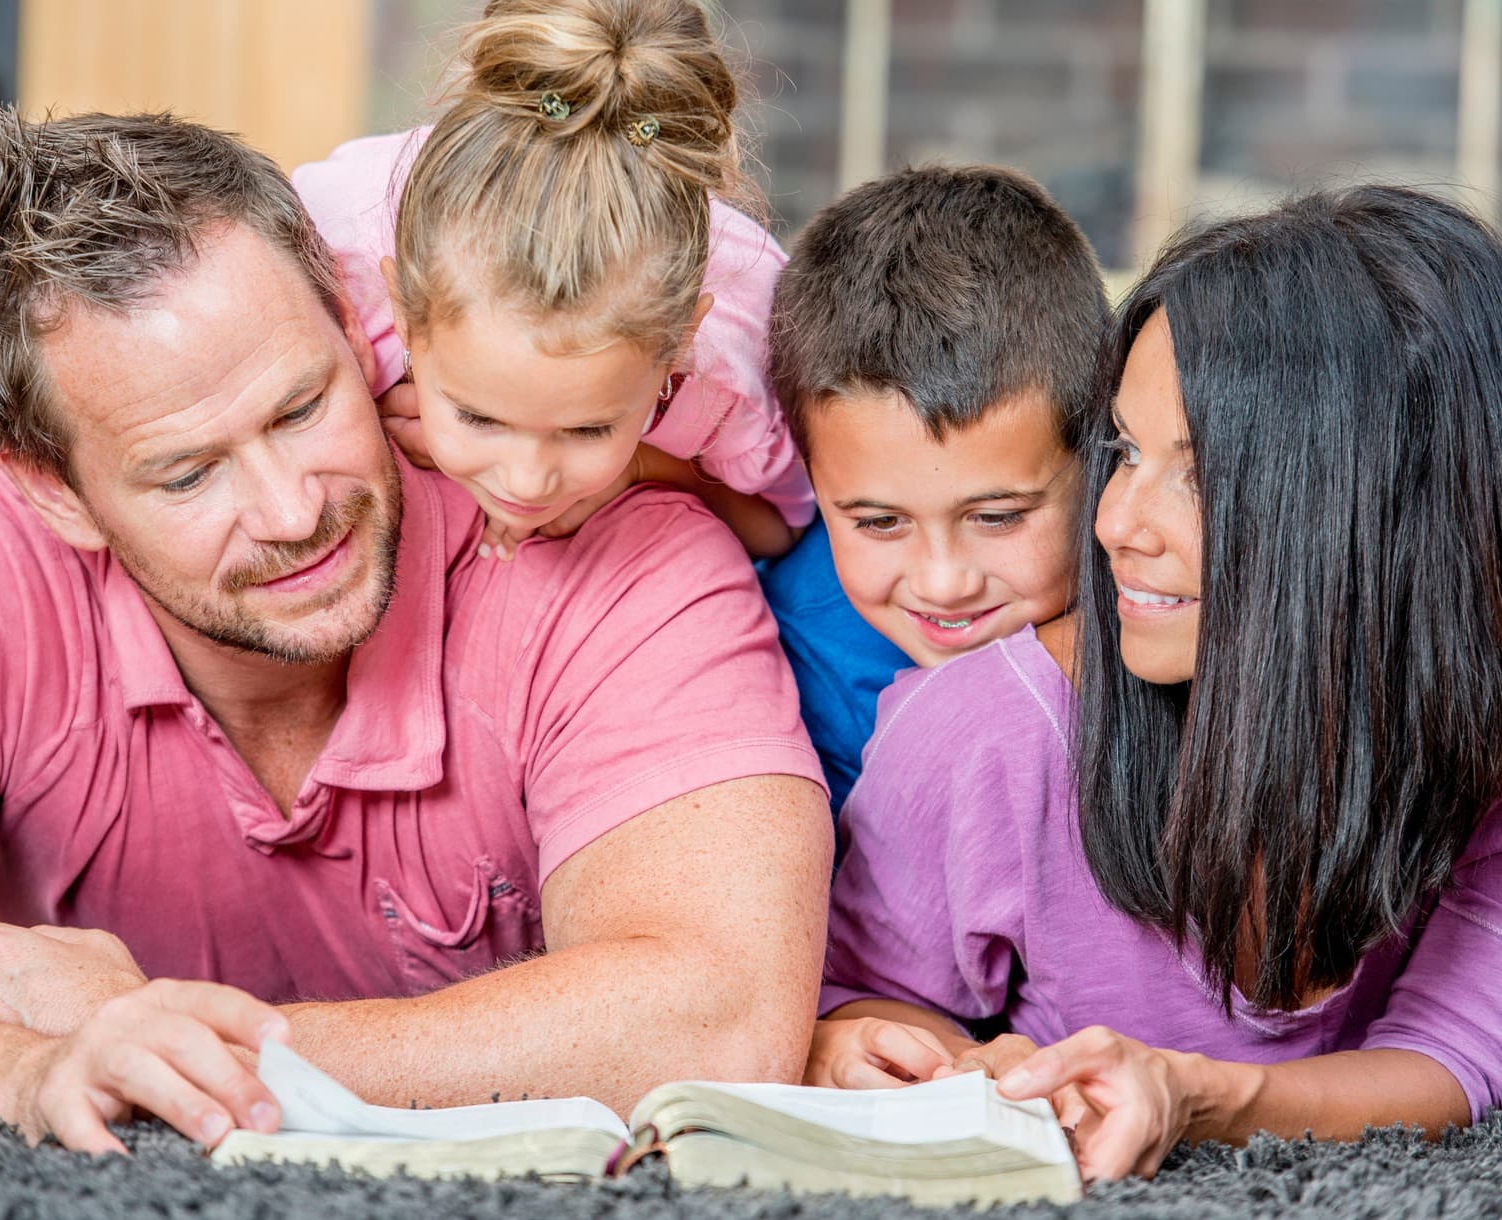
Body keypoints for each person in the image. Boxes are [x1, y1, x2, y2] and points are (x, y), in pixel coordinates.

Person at [0, 104, 832, 1156]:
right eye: (188, 472)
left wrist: (179, 1043)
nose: (292, 510)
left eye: (301, 408)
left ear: (357, 325)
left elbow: (719, 1014)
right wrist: (27, 1076)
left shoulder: (616, 550)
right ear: (54, 489)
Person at [811, 185, 1502, 1181]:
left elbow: (1449, 1054)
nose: (1115, 523)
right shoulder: (983, 729)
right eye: (1123, 452)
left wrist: (1195, 1093)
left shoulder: (1466, 734)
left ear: (1384, 510)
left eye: (1197, 471)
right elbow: (864, 1003)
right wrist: (930, 1063)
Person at [294, 0, 809, 562]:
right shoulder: (328, 249)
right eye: (478, 416)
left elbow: (785, 530)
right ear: (401, 306)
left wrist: (646, 465)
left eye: (588, 430)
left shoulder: (744, 364)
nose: (527, 483)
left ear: (681, 340)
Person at [760, 163, 1107, 814]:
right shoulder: (780, 655)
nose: (944, 583)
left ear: (1098, 456)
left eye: (998, 517)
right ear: (810, 479)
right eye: (880, 523)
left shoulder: (1157, 606)